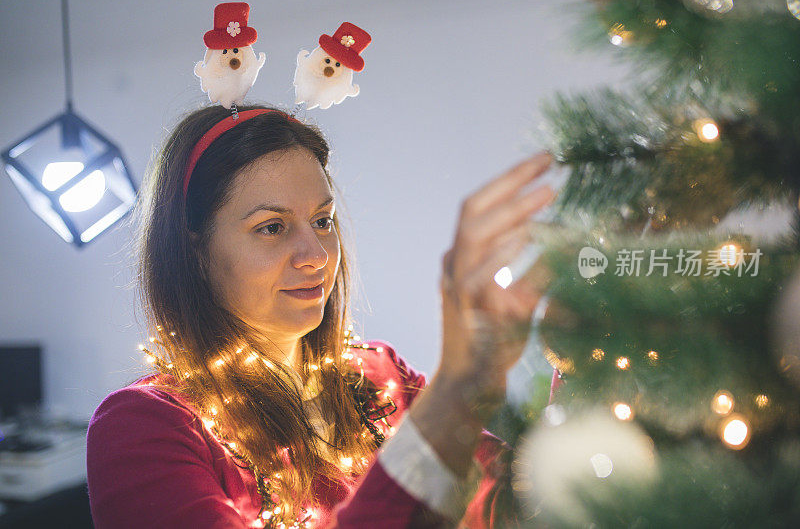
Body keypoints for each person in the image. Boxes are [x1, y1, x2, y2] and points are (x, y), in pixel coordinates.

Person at [85, 104, 557, 528]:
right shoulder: (145, 427)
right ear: (196, 250)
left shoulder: (379, 376)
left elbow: (527, 498)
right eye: (272, 227)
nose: (315, 255)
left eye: (322, 221)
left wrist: (585, 355)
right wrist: (458, 386)